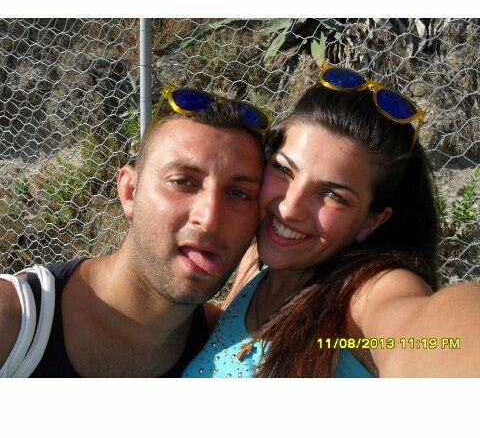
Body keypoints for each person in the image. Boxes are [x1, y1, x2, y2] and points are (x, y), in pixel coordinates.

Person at [182, 63, 480, 378]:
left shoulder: (364, 298)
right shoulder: (254, 267)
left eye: (333, 195)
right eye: (283, 169)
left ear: (371, 222)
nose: (290, 208)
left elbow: (435, 337)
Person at [0, 87, 271, 377]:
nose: (210, 219)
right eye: (183, 182)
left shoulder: (225, 350)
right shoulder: (15, 322)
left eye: (239, 193)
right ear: (130, 191)